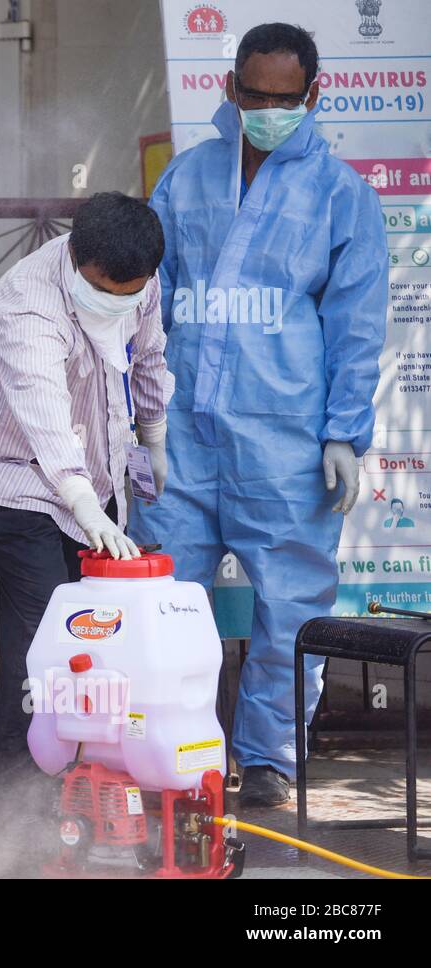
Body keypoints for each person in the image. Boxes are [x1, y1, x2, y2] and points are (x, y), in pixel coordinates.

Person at [131, 24, 387, 806]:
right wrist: (139, 414)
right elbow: (148, 300)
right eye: (255, 95)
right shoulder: (186, 178)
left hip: (285, 439)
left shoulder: (343, 196)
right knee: (165, 599)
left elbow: (356, 324)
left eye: (285, 98)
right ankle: (168, 753)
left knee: (289, 608)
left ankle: (270, 760)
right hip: (182, 433)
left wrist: (344, 434)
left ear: (314, 94)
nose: (268, 110)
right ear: (230, 88)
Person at [0, 191, 173, 784]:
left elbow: (148, 358)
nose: (118, 303)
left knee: (91, 632)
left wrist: (155, 437)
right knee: (45, 635)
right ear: (75, 256)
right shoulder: (28, 304)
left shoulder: (141, 284)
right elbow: (43, 410)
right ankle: (16, 801)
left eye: (131, 292)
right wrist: (80, 500)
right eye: (105, 290)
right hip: (9, 477)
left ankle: (84, 777)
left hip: (89, 480)